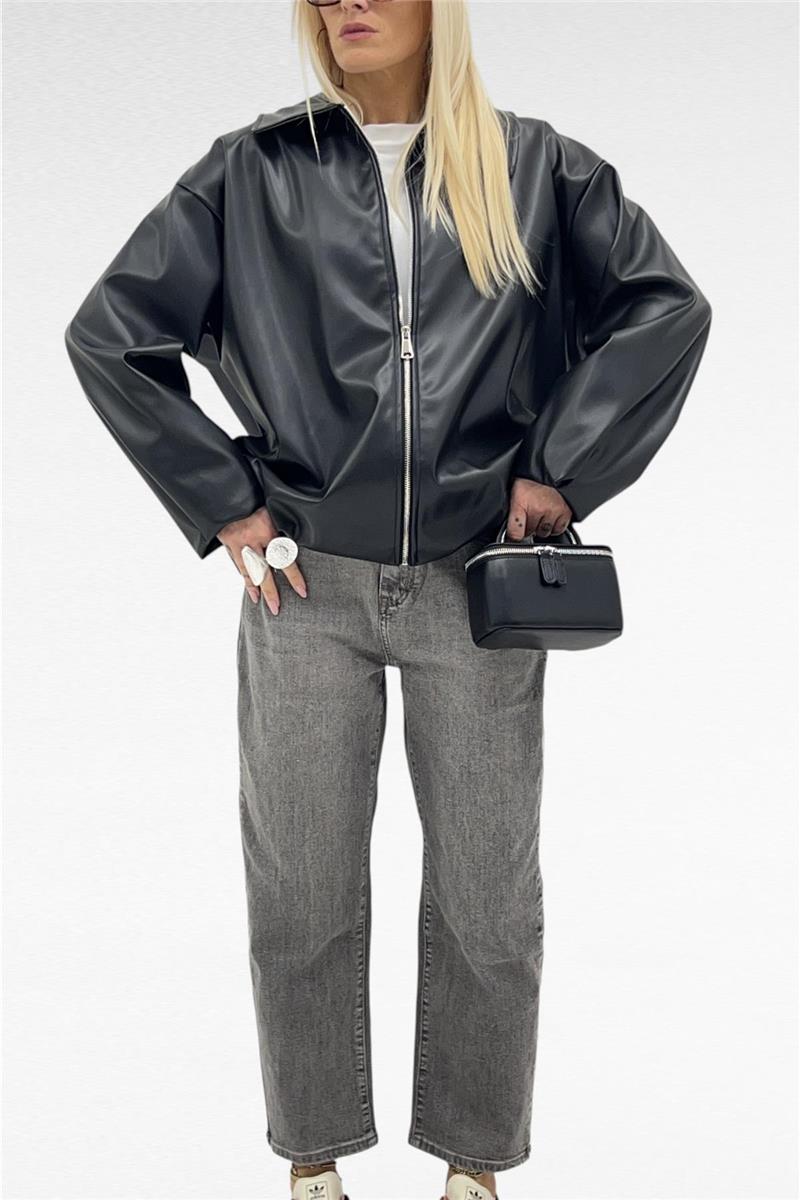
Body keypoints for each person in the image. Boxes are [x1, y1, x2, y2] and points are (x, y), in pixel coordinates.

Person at [63, 1, 712, 1197]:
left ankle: (474, 1170)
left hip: (478, 585)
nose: (344, 0)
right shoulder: (252, 171)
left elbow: (664, 308)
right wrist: (225, 500)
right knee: (300, 895)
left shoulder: (536, 167)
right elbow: (110, 335)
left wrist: (557, 468)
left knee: (486, 899)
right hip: (304, 584)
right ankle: (313, 1167)